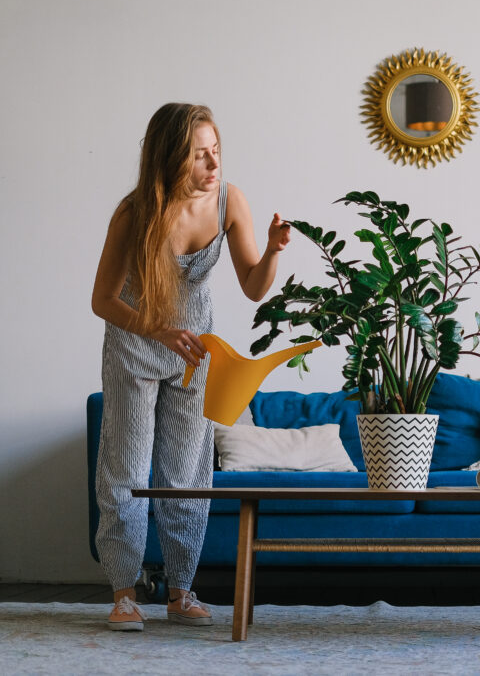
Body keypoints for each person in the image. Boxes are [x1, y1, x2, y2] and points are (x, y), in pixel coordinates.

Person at [91, 103, 290, 631]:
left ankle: (181, 592)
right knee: (127, 472)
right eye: (199, 155)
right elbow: (103, 301)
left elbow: (253, 286)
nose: (212, 164)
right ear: (170, 158)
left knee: (186, 475)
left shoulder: (230, 202)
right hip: (135, 349)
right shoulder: (135, 212)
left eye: (216, 152)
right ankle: (124, 593)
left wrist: (271, 251)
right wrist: (156, 329)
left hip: (194, 357)